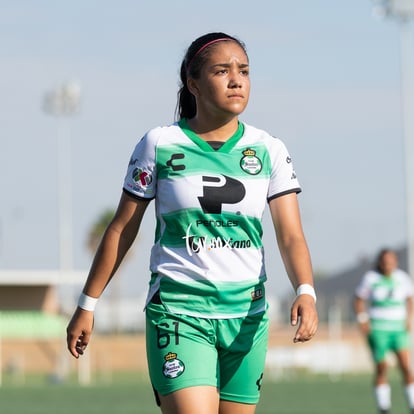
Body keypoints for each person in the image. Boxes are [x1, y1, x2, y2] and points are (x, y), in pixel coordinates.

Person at [66, 32, 318, 414]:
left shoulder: (270, 149)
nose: (236, 80)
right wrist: (88, 303)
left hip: (246, 318)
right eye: (222, 71)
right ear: (194, 84)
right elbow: (122, 228)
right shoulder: (159, 143)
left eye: (244, 71)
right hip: (179, 312)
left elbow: (290, 234)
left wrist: (306, 290)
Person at [354, 248, 414, 414]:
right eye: (385, 261)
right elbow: (358, 300)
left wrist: (409, 319)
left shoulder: (402, 278)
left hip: (398, 329)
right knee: (382, 367)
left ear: (396, 262)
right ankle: (384, 407)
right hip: (378, 329)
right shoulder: (371, 278)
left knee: (405, 366)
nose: (388, 264)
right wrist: (362, 319)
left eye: (391, 260)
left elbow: (410, 299)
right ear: (380, 262)